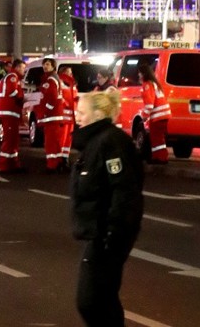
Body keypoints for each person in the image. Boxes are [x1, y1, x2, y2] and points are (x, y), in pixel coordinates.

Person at [70, 88, 144, 327]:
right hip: (99, 232)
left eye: (82, 112)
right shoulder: (95, 143)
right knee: (102, 298)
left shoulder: (111, 143)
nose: (76, 117)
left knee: (91, 300)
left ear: (99, 114)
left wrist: (114, 232)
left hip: (108, 234)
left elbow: (124, 190)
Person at [0, 58, 26, 174]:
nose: (24, 70)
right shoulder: (12, 77)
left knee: (13, 139)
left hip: (10, 112)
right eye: (23, 68)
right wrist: (21, 99)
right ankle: (4, 166)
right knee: (9, 139)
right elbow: (13, 92)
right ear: (17, 67)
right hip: (9, 112)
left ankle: (13, 163)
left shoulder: (11, 77)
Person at [138, 59, 170, 164]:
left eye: (139, 73)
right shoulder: (153, 83)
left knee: (156, 138)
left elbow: (149, 104)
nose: (138, 75)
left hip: (158, 115)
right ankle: (160, 157)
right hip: (163, 115)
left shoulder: (147, 85)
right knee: (158, 138)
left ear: (143, 74)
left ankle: (160, 158)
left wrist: (144, 116)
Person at [39, 57, 66, 172]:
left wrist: (46, 111)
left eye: (48, 64)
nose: (45, 66)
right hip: (56, 115)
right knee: (55, 140)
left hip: (52, 116)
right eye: (44, 64)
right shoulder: (54, 78)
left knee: (50, 141)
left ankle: (52, 165)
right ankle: (58, 162)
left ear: (53, 66)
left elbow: (52, 98)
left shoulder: (50, 80)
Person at [59, 65, 77, 162]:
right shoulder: (60, 82)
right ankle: (59, 159)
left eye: (71, 72)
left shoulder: (72, 84)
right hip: (63, 116)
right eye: (68, 72)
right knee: (62, 138)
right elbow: (58, 97)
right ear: (63, 73)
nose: (70, 74)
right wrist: (64, 102)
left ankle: (65, 157)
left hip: (71, 116)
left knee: (68, 139)